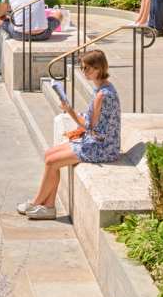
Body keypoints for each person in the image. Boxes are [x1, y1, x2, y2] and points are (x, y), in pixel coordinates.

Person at [17, 48, 121, 220]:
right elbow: (93, 122)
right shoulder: (103, 88)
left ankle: (37, 203)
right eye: (82, 68)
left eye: (87, 68)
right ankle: (48, 205)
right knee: (49, 154)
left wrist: (69, 111)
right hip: (96, 140)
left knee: (51, 161)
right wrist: (78, 129)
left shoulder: (102, 95)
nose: (84, 72)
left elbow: (90, 126)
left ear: (98, 69)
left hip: (101, 147)